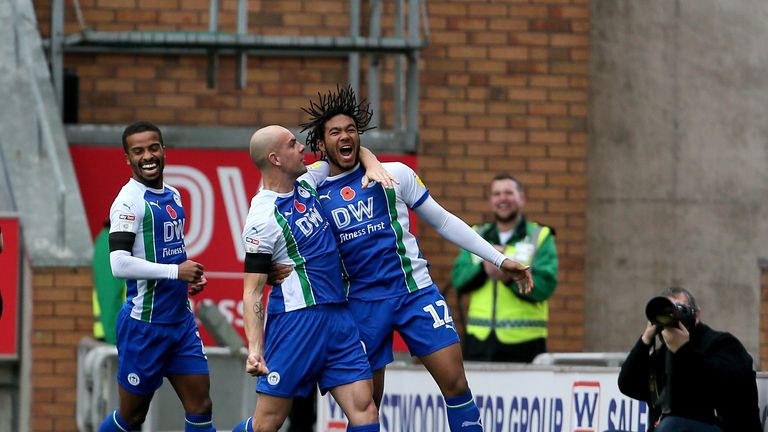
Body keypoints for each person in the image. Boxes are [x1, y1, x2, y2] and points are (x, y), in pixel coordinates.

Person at [298, 85, 533, 432]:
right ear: (321, 143)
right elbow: (283, 191)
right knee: (365, 407)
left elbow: (443, 220)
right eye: (335, 132)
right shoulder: (312, 191)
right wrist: (366, 159)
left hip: (414, 293)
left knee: (455, 383)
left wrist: (499, 259)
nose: (346, 136)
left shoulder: (396, 175)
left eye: (351, 130)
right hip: (360, 304)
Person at [231, 125, 393, 432]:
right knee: (268, 423)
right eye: (293, 145)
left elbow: (353, 153)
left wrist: (372, 164)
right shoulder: (262, 218)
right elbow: (251, 291)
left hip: (339, 319)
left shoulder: (307, 179)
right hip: (296, 322)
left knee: (366, 410)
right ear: (275, 159)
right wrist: (255, 348)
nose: (303, 148)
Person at [98, 121, 215, 432]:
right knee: (132, 417)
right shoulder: (127, 201)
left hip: (180, 323)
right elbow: (119, 265)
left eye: (153, 148)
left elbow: (168, 252)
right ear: (128, 158)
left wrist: (187, 276)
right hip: (144, 326)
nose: (147, 156)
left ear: (164, 150)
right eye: (138, 151)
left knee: (201, 406)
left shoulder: (174, 195)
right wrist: (176, 272)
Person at [617, 287, 761, 432]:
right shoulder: (663, 353)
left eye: (678, 309)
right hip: (670, 428)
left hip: (719, 428)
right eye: (665, 313)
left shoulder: (724, 344)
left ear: (696, 315)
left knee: (672, 425)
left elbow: (718, 387)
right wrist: (646, 340)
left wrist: (682, 349)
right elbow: (628, 385)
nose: (672, 317)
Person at [451, 173, 558, 363]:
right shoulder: (476, 234)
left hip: (525, 343)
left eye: (508, 193)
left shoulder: (540, 235)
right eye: (497, 194)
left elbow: (546, 286)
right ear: (491, 200)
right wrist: (484, 269)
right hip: (479, 342)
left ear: (521, 199)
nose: (502, 198)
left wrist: (508, 276)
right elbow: (458, 278)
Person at [92, 220, 126, 344]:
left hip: (118, 337)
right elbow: (110, 297)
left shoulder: (110, 239)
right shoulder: (114, 243)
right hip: (118, 339)